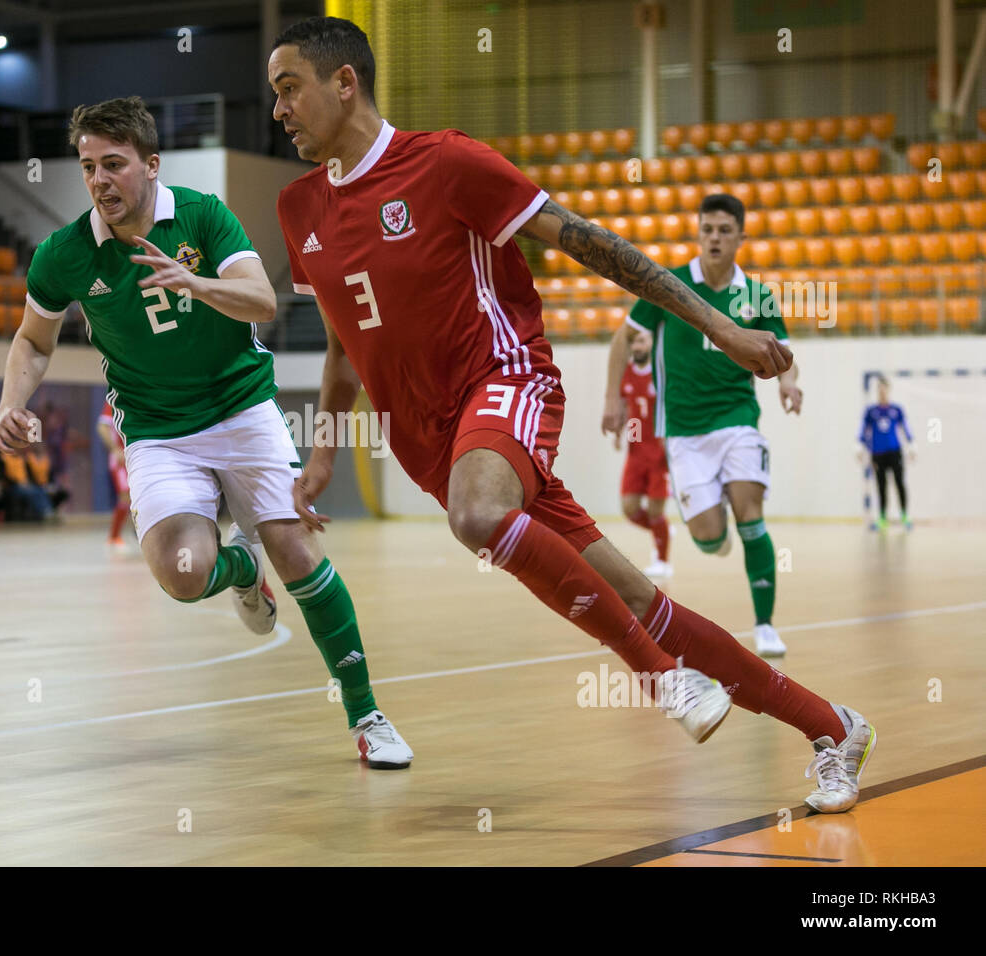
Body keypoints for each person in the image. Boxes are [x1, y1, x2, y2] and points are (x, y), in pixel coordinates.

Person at [268, 16, 871, 810]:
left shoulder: (446, 163)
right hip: (428, 440)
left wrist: (719, 325)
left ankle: (659, 678)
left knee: (478, 514)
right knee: (639, 602)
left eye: (289, 88)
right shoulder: (298, 208)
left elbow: (590, 242)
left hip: (505, 380)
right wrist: (321, 453)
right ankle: (832, 725)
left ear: (345, 82)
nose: (278, 109)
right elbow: (347, 337)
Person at [0, 95, 412, 768]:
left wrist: (193, 281)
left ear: (151, 165)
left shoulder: (203, 215)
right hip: (158, 430)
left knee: (297, 553)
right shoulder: (63, 254)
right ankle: (241, 568)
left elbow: (264, 300)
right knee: (184, 574)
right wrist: (11, 402)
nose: (100, 180)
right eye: (87, 167)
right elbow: (33, 341)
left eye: (114, 164)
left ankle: (367, 716)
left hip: (241, 408)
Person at [605, 194, 799, 658]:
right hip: (685, 431)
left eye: (724, 230)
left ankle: (766, 625)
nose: (714, 237)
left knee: (752, 517)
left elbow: (784, 354)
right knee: (710, 539)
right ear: (698, 233)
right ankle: (716, 533)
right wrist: (612, 398)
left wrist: (789, 384)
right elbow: (622, 338)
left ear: (740, 238)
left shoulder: (756, 296)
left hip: (737, 420)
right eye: (706, 229)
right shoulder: (670, 285)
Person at [611, 328, 671, 578]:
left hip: (658, 451)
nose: (637, 346)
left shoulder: (661, 374)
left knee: (657, 511)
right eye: (633, 342)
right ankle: (662, 531)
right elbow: (624, 404)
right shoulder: (625, 374)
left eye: (641, 341)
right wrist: (618, 432)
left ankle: (663, 561)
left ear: (651, 344)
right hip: (635, 450)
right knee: (629, 508)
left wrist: (671, 444)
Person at [858, 377, 914, 532]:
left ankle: (905, 515)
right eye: (879, 389)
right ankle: (882, 518)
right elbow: (863, 428)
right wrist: (859, 444)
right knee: (881, 486)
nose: (882, 391)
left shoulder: (896, 410)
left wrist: (911, 444)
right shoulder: (871, 411)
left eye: (884, 388)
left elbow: (905, 427)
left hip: (895, 452)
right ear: (877, 390)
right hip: (877, 454)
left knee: (899, 483)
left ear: (888, 390)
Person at [97, 402, 131, 551]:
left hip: (138, 458)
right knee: (125, 495)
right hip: (120, 460)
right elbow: (102, 427)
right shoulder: (115, 400)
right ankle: (114, 537)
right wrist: (115, 449)